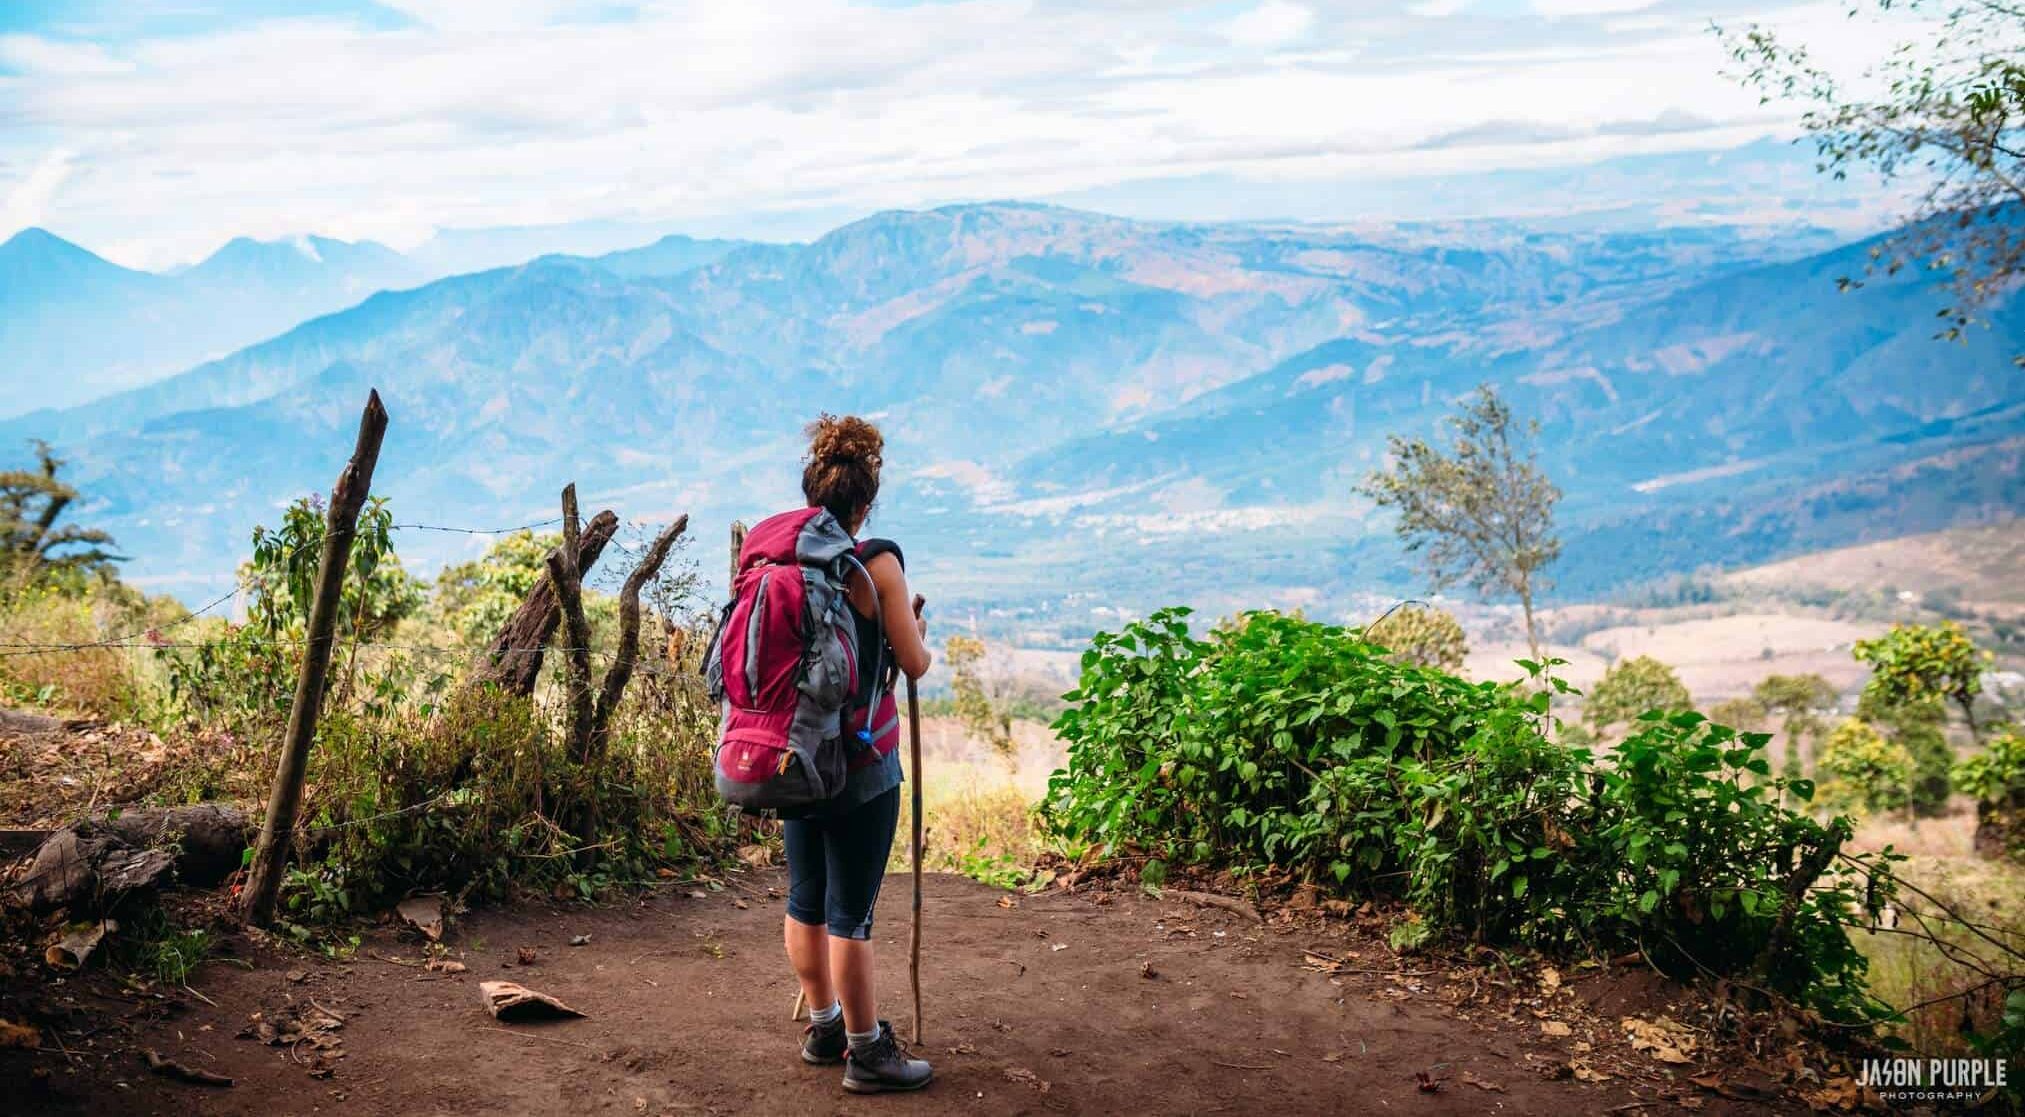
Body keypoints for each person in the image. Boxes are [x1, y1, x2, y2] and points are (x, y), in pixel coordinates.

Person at [781, 414, 935, 1094]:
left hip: (794, 756)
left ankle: (824, 1026)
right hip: (862, 766)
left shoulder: (784, 555)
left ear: (812, 493)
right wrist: (917, 627)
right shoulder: (876, 563)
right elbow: (914, 661)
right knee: (851, 913)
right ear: (865, 503)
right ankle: (867, 1052)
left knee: (805, 900)